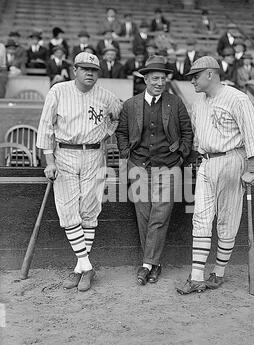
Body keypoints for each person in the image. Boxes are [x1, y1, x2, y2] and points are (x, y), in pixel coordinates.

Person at [176, 56, 254, 294]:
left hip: (232, 160)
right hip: (207, 162)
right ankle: (196, 277)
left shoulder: (237, 99)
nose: (192, 81)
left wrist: (251, 170)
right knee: (201, 219)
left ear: (211, 74)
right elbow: (197, 138)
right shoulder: (199, 102)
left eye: (195, 76)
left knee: (227, 221)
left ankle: (219, 272)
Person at [36, 52, 122, 291]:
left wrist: (105, 133)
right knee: (67, 210)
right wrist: (49, 160)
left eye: (94, 70)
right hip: (65, 153)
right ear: (75, 70)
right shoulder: (58, 91)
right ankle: (87, 266)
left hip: (94, 155)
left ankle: (79, 269)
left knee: (90, 210)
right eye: (85, 69)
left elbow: (117, 118)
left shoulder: (107, 96)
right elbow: (45, 127)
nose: (90, 74)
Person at [116, 55, 193, 285]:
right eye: (155, 78)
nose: (160, 82)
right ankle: (154, 264)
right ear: (146, 79)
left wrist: (180, 156)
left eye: (163, 78)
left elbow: (187, 131)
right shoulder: (131, 104)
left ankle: (146, 265)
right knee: (144, 215)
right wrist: (125, 152)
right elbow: (121, 132)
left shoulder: (175, 102)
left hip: (169, 167)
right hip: (139, 166)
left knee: (160, 214)